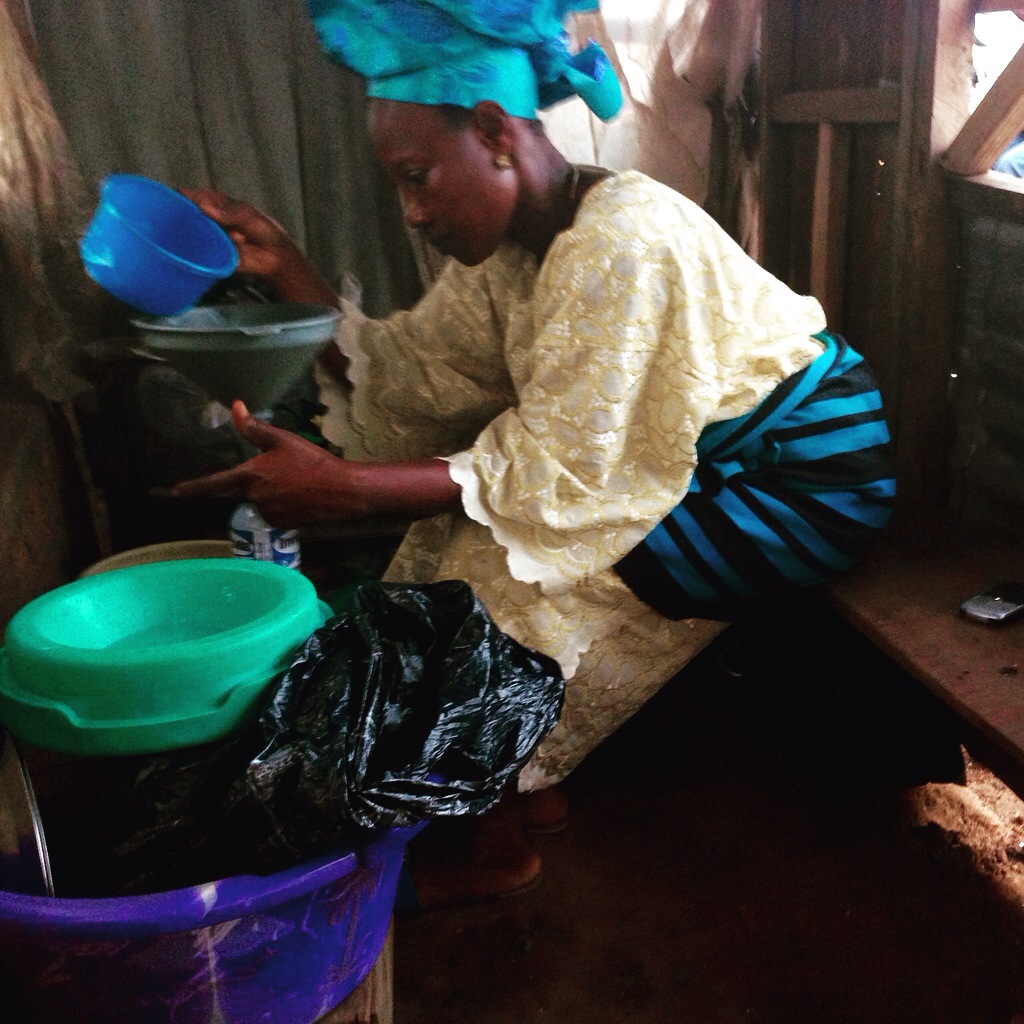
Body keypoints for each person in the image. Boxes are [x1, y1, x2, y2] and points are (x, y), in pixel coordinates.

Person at [174, 0, 896, 910]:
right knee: (456, 547)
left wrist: (348, 488)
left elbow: (566, 475)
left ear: (495, 134)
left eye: (418, 177)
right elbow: (416, 376)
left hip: (801, 478)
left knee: (509, 580)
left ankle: (492, 838)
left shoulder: (623, 241)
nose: (413, 210)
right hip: (711, 461)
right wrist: (287, 269)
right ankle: (526, 780)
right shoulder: (513, 252)